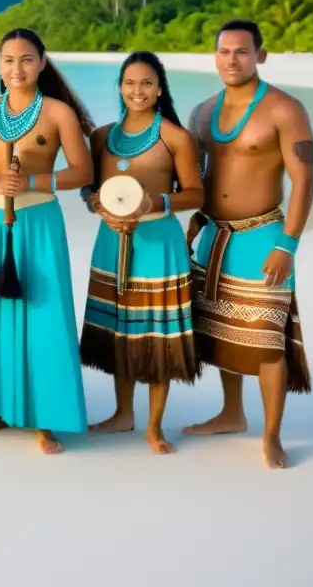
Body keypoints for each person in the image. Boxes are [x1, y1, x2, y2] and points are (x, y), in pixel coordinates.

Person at [0, 27, 95, 455]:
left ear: (42, 63)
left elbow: (82, 171)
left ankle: (46, 418)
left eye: (27, 59)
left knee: (44, 315)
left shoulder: (58, 113)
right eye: (8, 60)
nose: (17, 68)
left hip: (37, 220)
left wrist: (31, 179)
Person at [182, 19, 313, 470]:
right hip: (215, 236)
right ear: (214, 55)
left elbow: (304, 183)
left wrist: (287, 245)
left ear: (261, 54)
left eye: (241, 51)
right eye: (223, 51)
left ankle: (271, 435)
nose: (231, 60)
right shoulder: (202, 112)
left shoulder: (284, 108)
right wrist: (194, 217)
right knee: (222, 329)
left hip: (263, 237)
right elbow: (198, 177)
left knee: (267, 339)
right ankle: (232, 413)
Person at [78, 51, 204, 455]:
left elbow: (196, 193)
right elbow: (87, 187)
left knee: (157, 333)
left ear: (160, 89)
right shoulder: (101, 136)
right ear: (119, 86)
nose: (138, 91)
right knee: (120, 328)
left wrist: (154, 204)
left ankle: (154, 426)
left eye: (147, 83)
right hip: (111, 239)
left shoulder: (175, 137)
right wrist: (96, 204)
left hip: (159, 243)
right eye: (130, 83)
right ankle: (122, 414)